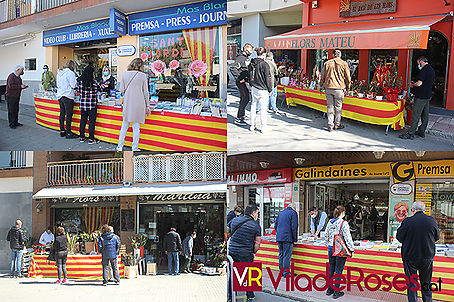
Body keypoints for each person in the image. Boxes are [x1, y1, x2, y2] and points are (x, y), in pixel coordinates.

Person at [397, 202, 440, 302]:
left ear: (413, 210)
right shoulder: (431, 221)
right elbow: (436, 237)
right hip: (427, 256)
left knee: (412, 282)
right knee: (426, 282)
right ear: (424, 210)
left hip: (410, 257)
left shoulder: (407, 221)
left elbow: (399, 237)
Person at [227, 205, 261, 302]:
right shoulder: (256, 226)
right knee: (248, 274)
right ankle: (250, 295)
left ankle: (230, 295)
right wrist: (253, 252)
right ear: (253, 213)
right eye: (257, 213)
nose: (257, 215)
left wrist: (232, 238)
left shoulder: (235, 220)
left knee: (232, 274)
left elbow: (228, 229)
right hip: (246, 253)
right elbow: (258, 242)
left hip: (232, 252)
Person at [117, 58, 151, 152]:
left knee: (124, 126)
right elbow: (145, 92)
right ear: (141, 66)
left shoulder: (125, 74)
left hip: (128, 103)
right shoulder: (143, 76)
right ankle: (134, 148)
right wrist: (148, 105)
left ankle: (120, 146)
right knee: (136, 128)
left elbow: (121, 90)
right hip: (139, 104)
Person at [399, 56, 436, 140]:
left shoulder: (424, 70)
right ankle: (421, 132)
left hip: (421, 96)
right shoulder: (431, 69)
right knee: (425, 115)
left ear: (421, 61)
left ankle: (411, 133)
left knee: (415, 115)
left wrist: (412, 85)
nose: (418, 65)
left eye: (418, 63)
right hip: (427, 96)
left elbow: (419, 83)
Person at [325, 205, 355, 299]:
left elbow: (326, 234)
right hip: (340, 249)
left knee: (331, 269)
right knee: (338, 270)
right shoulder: (344, 223)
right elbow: (348, 238)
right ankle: (336, 292)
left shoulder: (330, 222)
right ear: (342, 213)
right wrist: (352, 249)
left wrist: (328, 243)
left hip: (330, 248)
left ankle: (329, 289)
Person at [318, 49, 351, 132]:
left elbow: (322, 77)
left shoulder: (327, 63)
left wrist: (320, 85)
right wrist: (348, 88)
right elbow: (348, 78)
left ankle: (330, 125)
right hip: (339, 89)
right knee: (338, 108)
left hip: (328, 88)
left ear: (333, 55)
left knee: (330, 107)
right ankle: (337, 124)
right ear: (340, 55)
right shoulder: (344, 63)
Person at [248, 47, 273, 133]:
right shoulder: (265, 64)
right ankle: (263, 126)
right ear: (264, 54)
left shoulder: (252, 63)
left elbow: (250, 75)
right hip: (263, 89)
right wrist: (270, 89)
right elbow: (268, 77)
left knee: (253, 106)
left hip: (254, 87)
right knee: (263, 108)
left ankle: (252, 125)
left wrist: (251, 84)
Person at [76, 65, 100, 144]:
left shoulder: (80, 82)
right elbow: (100, 88)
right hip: (92, 105)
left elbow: (78, 91)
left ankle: (82, 137)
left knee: (83, 120)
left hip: (83, 105)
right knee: (91, 122)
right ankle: (91, 139)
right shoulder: (94, 82)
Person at [231, 43, 254, 126]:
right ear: (246, 50)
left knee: (243, 98)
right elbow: (232, 68)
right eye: (250, 50)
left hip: (244, 81)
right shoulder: (240, 58)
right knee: (246, 98)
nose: (251, 52)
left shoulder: (245, 58)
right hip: (241, 82)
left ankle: (242, 114)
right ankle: (239, 118)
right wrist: (239, 78)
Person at [274, 203, 298, 277]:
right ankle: (286, 273)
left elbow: (275, 225)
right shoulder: (293, 213)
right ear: (294, 208)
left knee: (281, 254)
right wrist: (295, 239)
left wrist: (279, 233)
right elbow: (294, 227)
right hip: (288, 238)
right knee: (287, 255)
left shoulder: (281, 213)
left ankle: (281, 271)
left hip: (279, 237)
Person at [57, 60, 78, 139]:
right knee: (69, 115)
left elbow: (58, 84)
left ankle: (62, 130)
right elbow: (73, 85)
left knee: (62, 113)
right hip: (68, 95)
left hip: (60, 95)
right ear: (72, 66)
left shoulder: (59, 72)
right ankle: (69, 132)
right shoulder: (70, 73)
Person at [6, 65, 28, 129]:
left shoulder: (19, 77)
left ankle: (16, 122)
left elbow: (19, 86)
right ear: (18, 70)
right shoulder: (11, 76)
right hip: (11, 96)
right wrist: (20, 87)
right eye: (22, 70)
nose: (22, 71)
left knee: (16, 110)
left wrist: (23, 87)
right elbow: (11, 86)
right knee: (11, 110)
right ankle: (11, 124)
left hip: (16, 96)